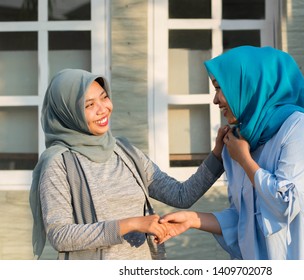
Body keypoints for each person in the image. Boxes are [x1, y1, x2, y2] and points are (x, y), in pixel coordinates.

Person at [159, 46, 304, 260]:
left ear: (248, 86)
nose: (215, 100)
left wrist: (245, 160)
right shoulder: (240, 140)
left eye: (220, 88)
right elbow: (244, 219)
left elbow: (286, 204)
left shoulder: (299, 128)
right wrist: (192, 219)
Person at [29, 68, 227, 260]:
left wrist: (218, 155)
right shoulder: (58, 163)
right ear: (68, 112)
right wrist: (132, 224)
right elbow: (60, 236)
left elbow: (181, 195)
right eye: (89, 105)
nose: (103, 108)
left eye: (104, 97)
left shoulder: (125, 151)